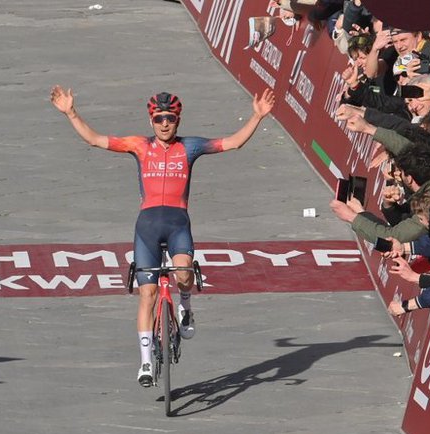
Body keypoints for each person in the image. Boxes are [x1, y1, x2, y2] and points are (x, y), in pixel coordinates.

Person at [50, 85, 275, 386]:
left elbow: (232, 143)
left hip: (178, 224)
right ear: (151, 121)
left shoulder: (190, 147)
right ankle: (145, 363)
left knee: (184, 275)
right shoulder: (139, 146)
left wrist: (256, 117)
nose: (164, 123)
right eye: (159, 119)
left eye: (169, 118)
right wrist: (71, 113)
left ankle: (185, 305)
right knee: (147, 295)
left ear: (178, 120)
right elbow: (94, 140)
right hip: (147, 228)